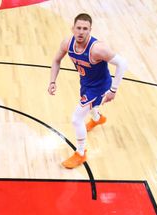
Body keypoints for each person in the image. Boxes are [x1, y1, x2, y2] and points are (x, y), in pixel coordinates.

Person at [48, 13, 128, 169]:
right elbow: (56, 60)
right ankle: (97, 118)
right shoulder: (67, 43)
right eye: (78, 28)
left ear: (90, 30)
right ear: (73, 28)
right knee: (89, 107)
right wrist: (52, 81)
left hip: (100, 86)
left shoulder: (98, 49)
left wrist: (113, 90)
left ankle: (80, 153)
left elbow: (122, 64)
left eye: (85, 29)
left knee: (76, 118)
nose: (81, 32)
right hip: (86, 83)